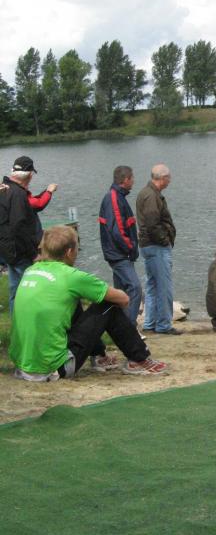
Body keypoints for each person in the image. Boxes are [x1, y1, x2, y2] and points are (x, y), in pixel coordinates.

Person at [9, 226, 167, 380]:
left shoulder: (31, 270)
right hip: (54, 368)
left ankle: (99, 356)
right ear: (69, 252)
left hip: (23, 366)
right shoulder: (71, 276)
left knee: (71, 301)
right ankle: (139, 359)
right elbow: (124, 299)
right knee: (108, 306)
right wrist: (97, 293)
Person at [0, 155, 57, 313]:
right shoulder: (18, 195)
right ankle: (35, 320)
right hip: (20, 252)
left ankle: (16, 321)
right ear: (30, 175)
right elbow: (19, 227)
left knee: (15, 289)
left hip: (8, 250)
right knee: (35, 288)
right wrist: (34, 254)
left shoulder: (4, 188)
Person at [135, 164, 181, 335]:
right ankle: (163, 325)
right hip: (156, 247)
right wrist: (165, 241)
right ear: (162, 178)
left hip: (148, 246)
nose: (170, 180)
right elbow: (152, 224)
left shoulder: (147, 193)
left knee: (152, 285)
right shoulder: (151, 196)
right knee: (164, 286)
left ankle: (150, 323)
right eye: (169, 177)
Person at [99, 165, 142, 325]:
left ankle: (117, 327)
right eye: (132, 178)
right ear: (125, 180)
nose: (134, 181)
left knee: (120, 294)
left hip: (118, 253)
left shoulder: (118, 197)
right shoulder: (114, 198)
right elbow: (117, 231)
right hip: (119, 254)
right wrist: (131, 247)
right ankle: (128, 328)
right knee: (135, 288)